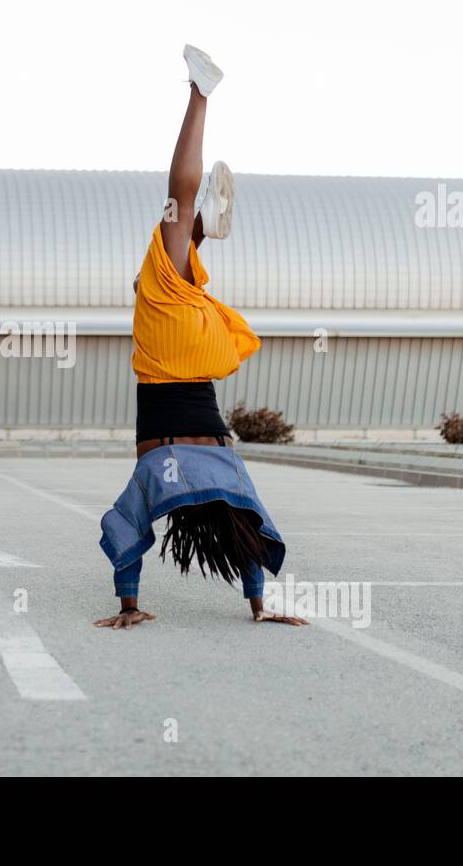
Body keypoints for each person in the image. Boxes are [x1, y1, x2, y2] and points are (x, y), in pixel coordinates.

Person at [94, 44, 307, 630]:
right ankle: (199, 216)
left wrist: (130, 608)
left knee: (177, 203)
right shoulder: (168, 294)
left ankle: (201, 93)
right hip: (188, 363)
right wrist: (258, 609)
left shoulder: (224, 480)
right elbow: (235, 527)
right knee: (175, 209)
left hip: (192, 390)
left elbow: (242, 531)